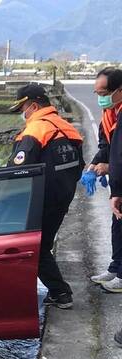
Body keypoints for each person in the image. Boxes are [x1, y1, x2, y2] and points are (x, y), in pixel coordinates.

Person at [8, 83, 84, 309]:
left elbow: (16, 173)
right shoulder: (67, 128)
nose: (23, 115)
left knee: (35, 249)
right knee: (43, 247)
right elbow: (78, 166)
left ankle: (61, 293)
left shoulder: (35, 130)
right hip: (62, 198)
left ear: (32, 105)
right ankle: (55, 291)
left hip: (40, 201)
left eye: (23, 109)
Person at [87, 68, 122, 292]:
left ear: (119, 91)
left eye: (104, 93)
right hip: (119, 180)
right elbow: (107, 147)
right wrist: (93, 163)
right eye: (97, 94)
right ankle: (116, 267)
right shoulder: (110, 114)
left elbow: (119, 156)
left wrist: (117, 191)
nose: (101, 98)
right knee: (117, 226)